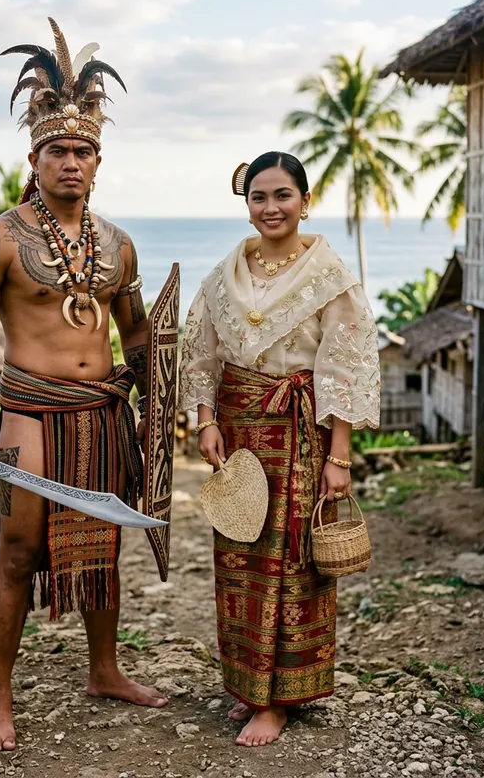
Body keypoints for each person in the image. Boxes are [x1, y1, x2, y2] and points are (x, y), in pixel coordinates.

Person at [0, 18, 167, 754]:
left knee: (102, 544)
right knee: (17, 553)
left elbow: (134, 331)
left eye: (83, 152)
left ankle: (105, 669)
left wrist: (144, 402)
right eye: (57, 151)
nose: (70, 162)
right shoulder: (0, 237)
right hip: (30, 412)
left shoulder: (119, 245)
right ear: (33, 159)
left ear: (98, 164)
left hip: (104, 414)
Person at [178, 151, 380, 747]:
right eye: (260, 197)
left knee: (291, 561)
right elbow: (202, 350)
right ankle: (246, 684)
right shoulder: (225, 275)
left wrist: (338, 459)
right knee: (239, 554)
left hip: (298, 436)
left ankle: (280, 699)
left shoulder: (329, 276)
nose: (271, 207)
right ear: (247, 206)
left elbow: (344, 367)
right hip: (239, 433)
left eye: (283, 195)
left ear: (305, 201)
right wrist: (205, 420)